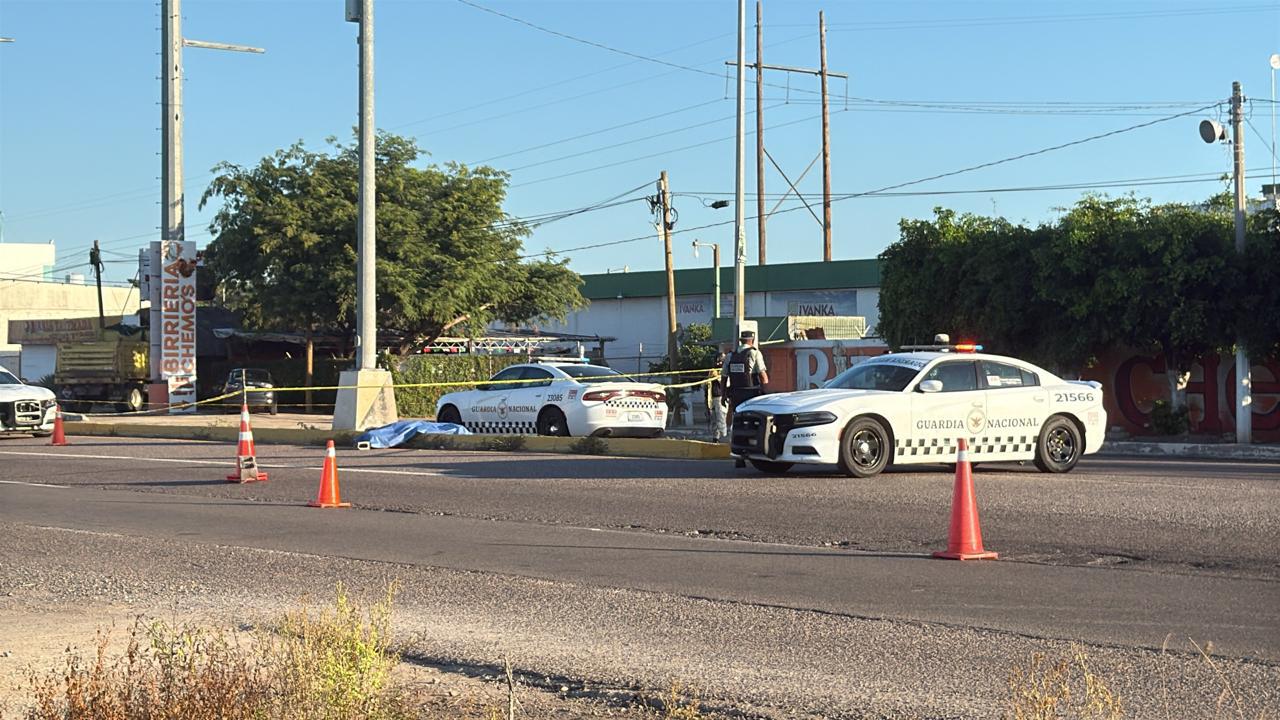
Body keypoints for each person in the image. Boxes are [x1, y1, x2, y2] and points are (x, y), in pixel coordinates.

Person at [721, 331, 769, 463]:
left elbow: (724, 377)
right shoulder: (754, 353)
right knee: (753, 422)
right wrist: (765, 393)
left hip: (736, 394)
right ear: (752, 340)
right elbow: (763, 377)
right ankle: (754, 450)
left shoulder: (731, 355)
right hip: (751, 395)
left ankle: (738, 454)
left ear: (741, 340)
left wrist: (723, 394)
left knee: (737, 423)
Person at [707, 344, 730, 442]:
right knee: (714, 419)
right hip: (712, 397)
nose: (718, 362)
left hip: (721, 396)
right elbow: (707, 384)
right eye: (717, 360)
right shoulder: (713, 370)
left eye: (720, 360)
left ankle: (724, 437)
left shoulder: (725, 370)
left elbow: (726, 383)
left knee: (721, 418)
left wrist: (718, 377)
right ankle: (715, 438)